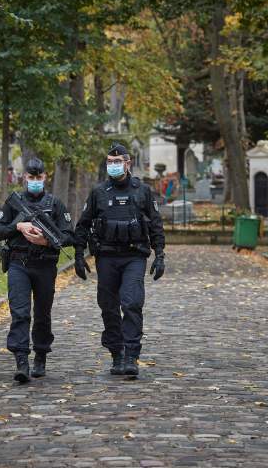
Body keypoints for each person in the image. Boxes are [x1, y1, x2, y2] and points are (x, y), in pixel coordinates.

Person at [74, 142, 165, 376]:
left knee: (132, 302)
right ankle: (117, 354)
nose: (113, 165)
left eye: (118, 162)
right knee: (108, 307)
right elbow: (83, 224)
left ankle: (132, 355)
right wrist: (78, 255)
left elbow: (155, 224)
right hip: (106, 257)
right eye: (110, 162)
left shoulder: (142, 191)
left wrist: (160, 255)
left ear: (127, 163)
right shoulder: (98, 193)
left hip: (134, 256)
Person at [0, 158, 74, 382]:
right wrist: (18, 226)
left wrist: (46, 241)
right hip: (19, 263)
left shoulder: (54, 204)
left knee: (42, 314)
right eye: (31, 177)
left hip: (45, 264)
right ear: (24, 177)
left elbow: (69, 236)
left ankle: (40, 355)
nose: (35, 181)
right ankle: (21, 360)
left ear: (45, 177)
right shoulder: (14, 203)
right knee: (20, 312)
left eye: (39, 177)